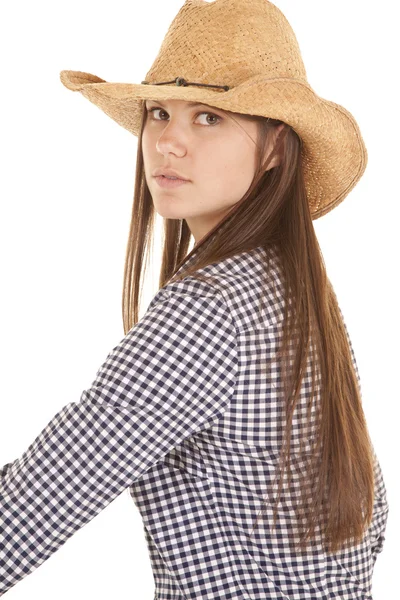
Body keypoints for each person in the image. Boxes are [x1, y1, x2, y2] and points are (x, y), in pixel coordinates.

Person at [0, 0, 389, 598]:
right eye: (160, 113)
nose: (167, 143)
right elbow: (368, 523)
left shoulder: (209, 308)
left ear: (277, 149)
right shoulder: (296, 291)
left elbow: (34, 504)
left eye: (208, 117)